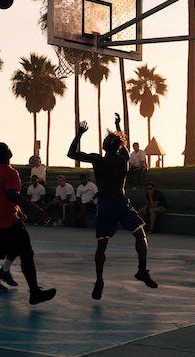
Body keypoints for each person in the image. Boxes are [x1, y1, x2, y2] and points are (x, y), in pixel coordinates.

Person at [67, 115, 157, 301]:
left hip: (106, 204)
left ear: (103, 146)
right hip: (120, 201)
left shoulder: (97, 160)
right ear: (118, 145)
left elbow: (71, 154)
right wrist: (118, 126)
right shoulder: (123, 158)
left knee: (102, 245)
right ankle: (141, 270)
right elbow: (124, 142)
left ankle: (99, 280)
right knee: (140, 235)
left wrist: (79, 134)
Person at [0, 142, 55, 312]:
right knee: (26, 254)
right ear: (9, 155)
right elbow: (12, 195)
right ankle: (34, 292)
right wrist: (37, 210)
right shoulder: (10, 173)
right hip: (8, 223)